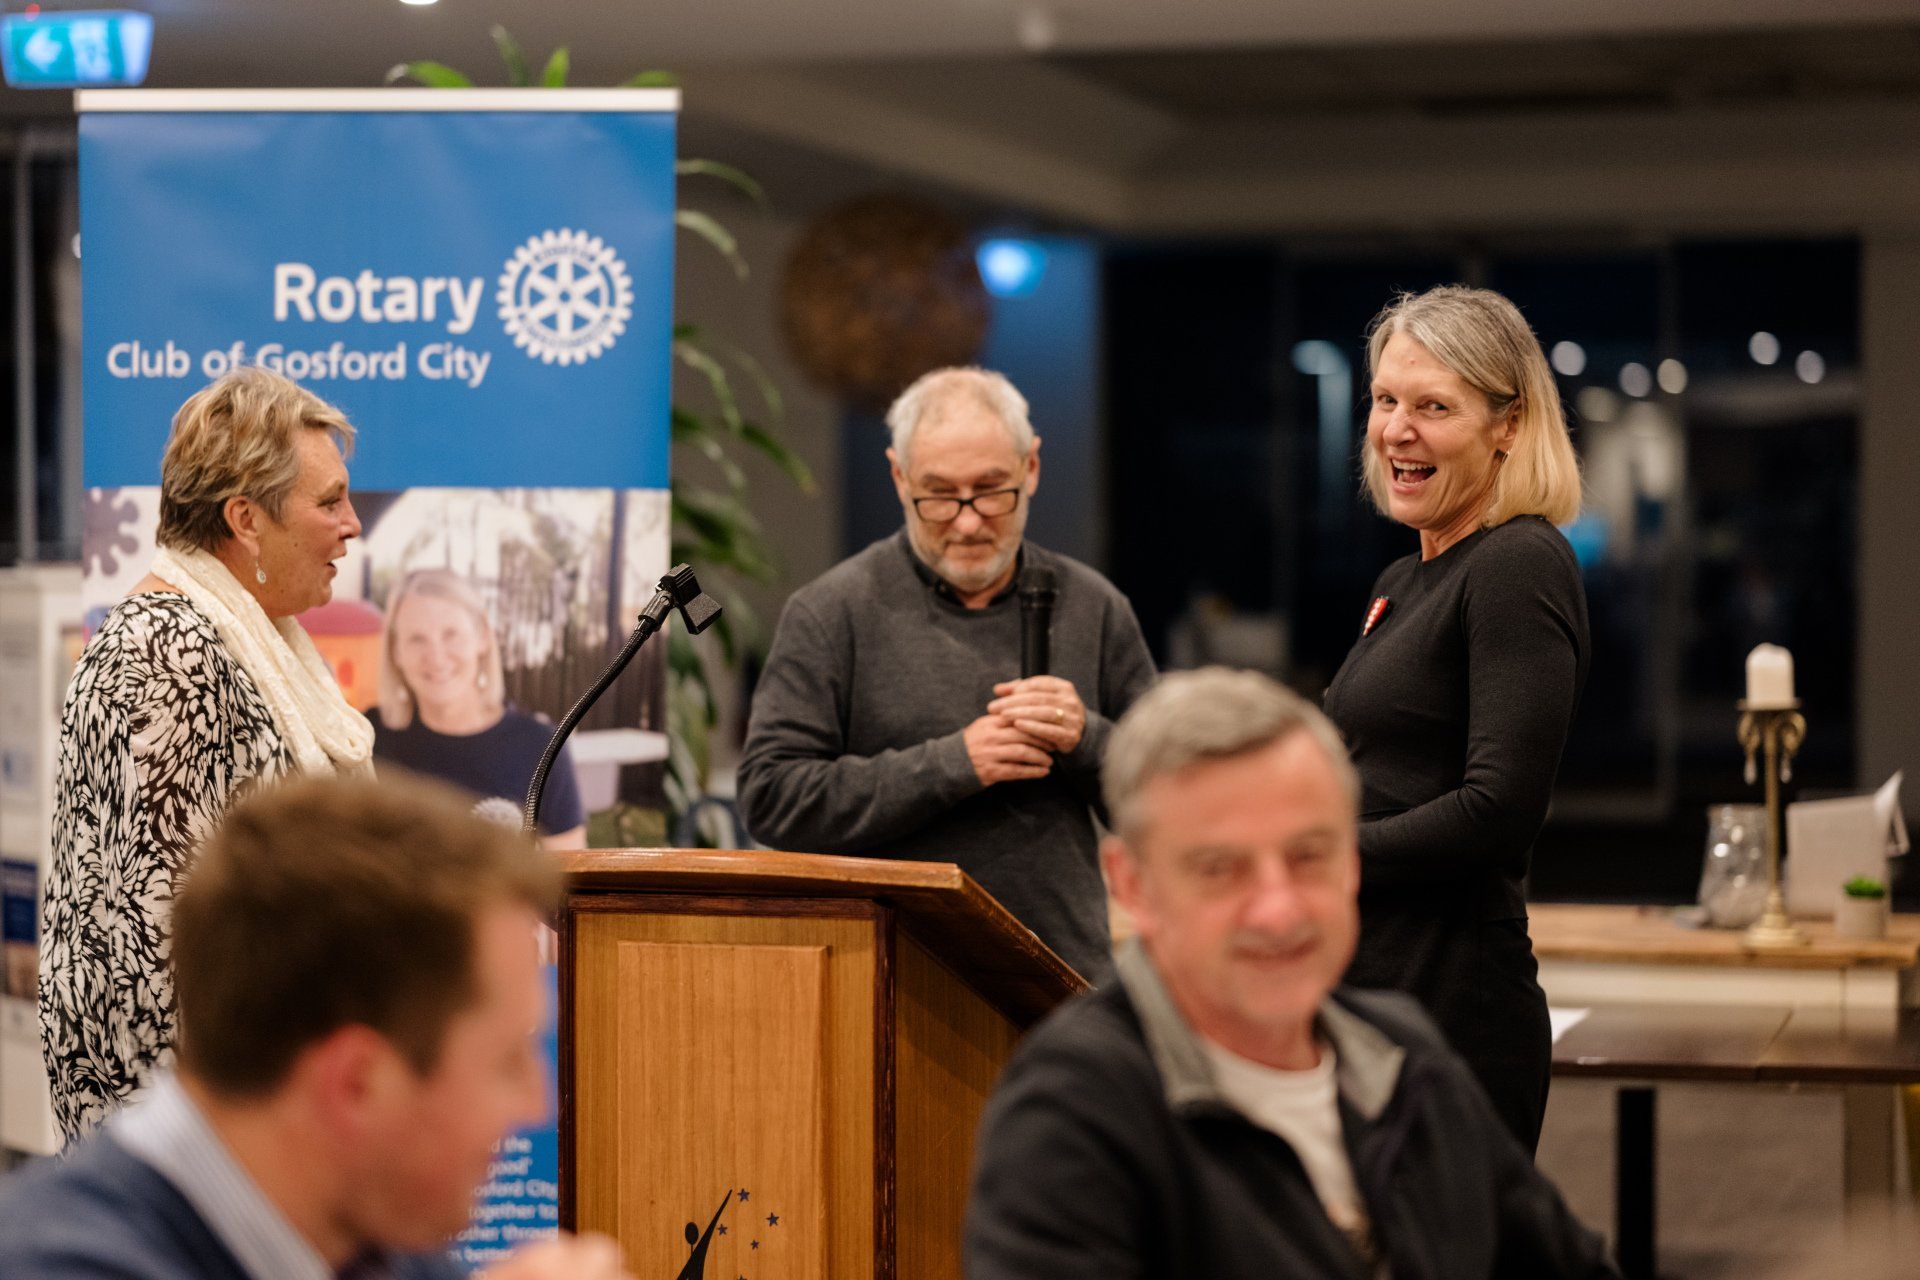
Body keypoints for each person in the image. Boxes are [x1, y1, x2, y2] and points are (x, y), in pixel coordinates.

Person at [964, 669, 1618, 1280]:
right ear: (1132, 886)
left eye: (1309, 856)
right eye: (1221, 868)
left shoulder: (1403, 1058)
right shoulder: (1070, 1116)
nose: (1278, 910)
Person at [0, 772, 631, 1280]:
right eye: (504, 1061)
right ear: (356, 1083)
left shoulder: (376, 1220)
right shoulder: (56, 1261)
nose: (536, 1103)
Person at [41, 366, 377, 1141]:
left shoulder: (241, 638)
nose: (352, 523)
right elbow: (157, 952)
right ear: (245, 519)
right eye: (329, 501)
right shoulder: (168, 650)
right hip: (190, 1164)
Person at [738, 367, 1156, 982]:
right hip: (888, 981)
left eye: (992, 490)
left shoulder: (1094, 606)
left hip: (1061, 979)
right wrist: (954, 763)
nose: (967, 521)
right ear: (899, 477)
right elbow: (772, 798)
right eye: (939, 495)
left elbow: (1176, 801)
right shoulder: (831, 612)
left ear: (1032, 467)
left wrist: (1087, 738)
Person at [1321, 285, 1590, 1152]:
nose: (1397, 429)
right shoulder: (1402, 580)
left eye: (1433, 407)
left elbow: (1497, 811)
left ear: (1508, 424)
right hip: (1372, 996)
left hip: (1451, 1015)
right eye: (1386, 400)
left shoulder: (1517, 563)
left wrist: (1311, 856)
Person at [374, 569, 586, 846]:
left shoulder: (540, 744)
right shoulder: (366, 739)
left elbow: (569, 870)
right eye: (416, 639)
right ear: (396, 652)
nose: (436, 657)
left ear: (483, 637)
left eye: (451, 634)